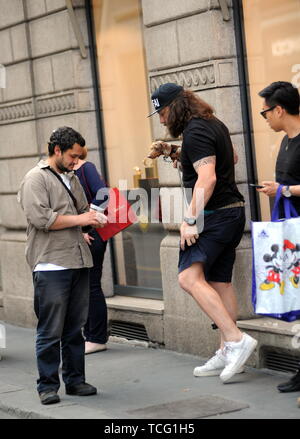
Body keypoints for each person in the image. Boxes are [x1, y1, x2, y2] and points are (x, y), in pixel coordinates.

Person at [148, 83, 257, 383]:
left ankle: (236, 340)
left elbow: (206, 178)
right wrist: (175, 152)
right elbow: (230, 158)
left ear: (176, 108)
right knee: (220, 282)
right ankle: (226, 350)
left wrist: (189, 220)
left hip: (214, 217)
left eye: (163, 112)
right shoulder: (213, 124)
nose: (161, 120)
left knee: (188, 277)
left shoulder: (195, 131)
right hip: (232, 212)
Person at [18, 126, 107, 405]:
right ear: (57, 150)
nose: (76, 161)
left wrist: (90, 219)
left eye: (79, 156)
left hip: (78, 260)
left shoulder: (71, 177)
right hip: (50, 264)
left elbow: (80, 210)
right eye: (72, 155)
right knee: (50, 329)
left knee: (74, 328)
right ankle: (47, 386)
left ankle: (75, 381)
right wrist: (83, 221)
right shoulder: (35, 179)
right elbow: (43, 219)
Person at [257, 81, 300, 393]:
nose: (266, 117)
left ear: (280, 109)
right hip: (289, 236)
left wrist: (282, 190)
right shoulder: (286, 141)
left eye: (265, 112)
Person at [73, 147, 109, 355]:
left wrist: (88, 225)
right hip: (78, 235)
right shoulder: (65, 173)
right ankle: (91, 334)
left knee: (91, 284)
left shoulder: (86, 168)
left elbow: (103, 194)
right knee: (84, 285)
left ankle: (96, 338)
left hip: (91, 236)